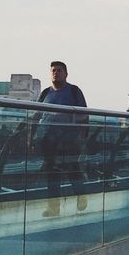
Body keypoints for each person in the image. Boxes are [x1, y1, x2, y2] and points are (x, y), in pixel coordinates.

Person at [30, 61, 89, 218]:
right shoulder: (44, 94)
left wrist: (82, 138)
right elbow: (36, 116)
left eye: (59, 70)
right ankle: (54, 208)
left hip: (70, 140)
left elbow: (84, 116)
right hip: (49, 141)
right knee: (52, 173)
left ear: (66, 74)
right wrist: (31, 137)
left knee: (73, 169)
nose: (56, 73)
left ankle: (81, 196)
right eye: (53, 70)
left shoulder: (75, 91)